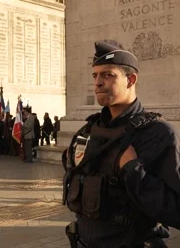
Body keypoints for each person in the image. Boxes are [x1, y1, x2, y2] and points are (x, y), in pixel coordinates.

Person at [62, 40, 180, 247]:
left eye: (108, 75)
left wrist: (134, 172)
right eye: (95, 75)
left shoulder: (157, 134)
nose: (97, 82)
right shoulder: (87, 132)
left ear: (131, 79)